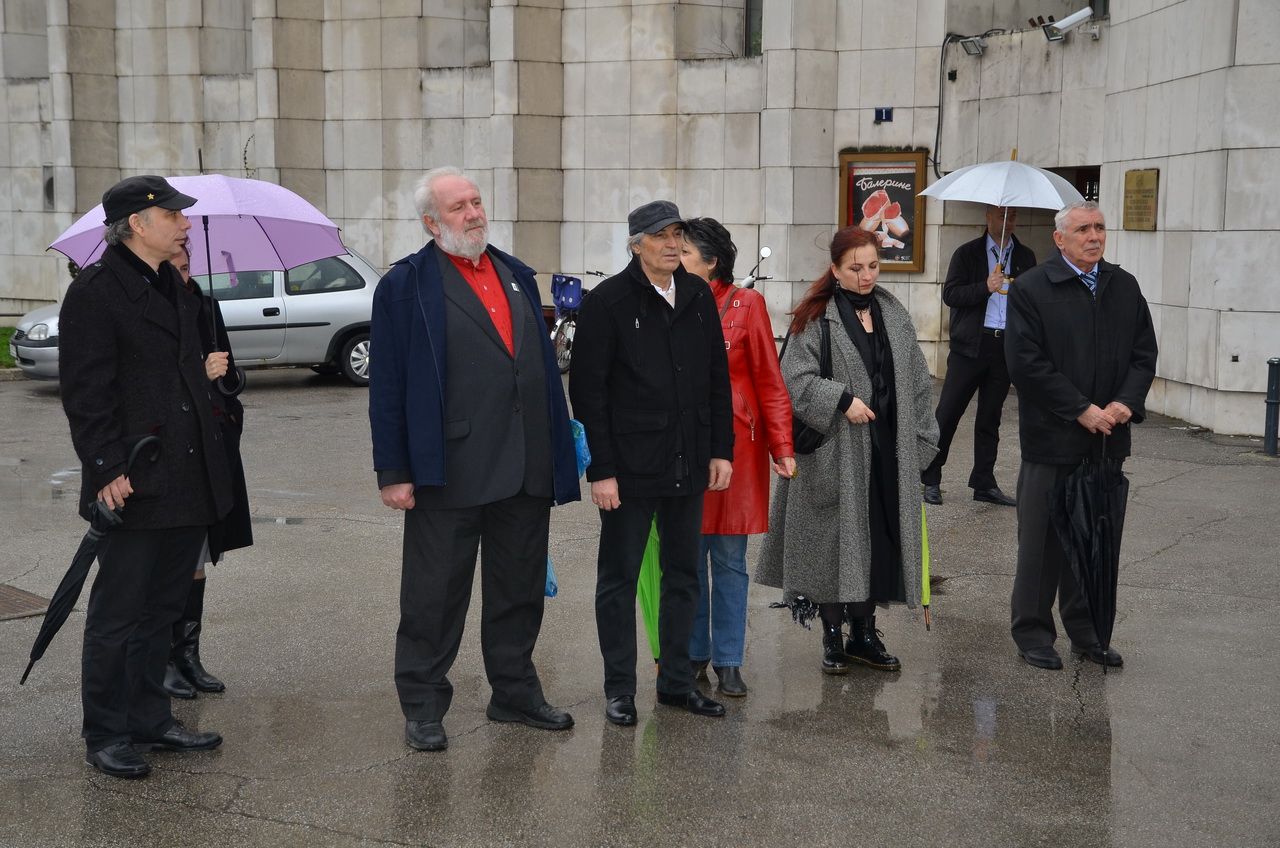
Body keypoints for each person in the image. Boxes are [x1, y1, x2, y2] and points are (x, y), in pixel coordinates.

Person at [369, 167, 581, 752]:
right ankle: (423, 705)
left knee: (519, 590)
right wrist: (394, 472)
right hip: (449, 466)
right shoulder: (405, 285)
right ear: (430, 221)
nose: (473, 213)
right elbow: (387, 384)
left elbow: (537, 372)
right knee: (434, 596)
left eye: (476, 201)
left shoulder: (515, 274)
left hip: (524, 463)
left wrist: (558, 452)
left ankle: (514, 693)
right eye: (458, 206)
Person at [60, 175, 233, 778]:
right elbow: (87, 393)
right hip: (134, 478)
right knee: (119, 615)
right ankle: (107, 732)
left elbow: (182, 377)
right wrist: (106, 467)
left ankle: (150, 720)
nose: (186, 225)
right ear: (137, 223)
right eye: (175, 216)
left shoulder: (174, 287)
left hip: (187, 475)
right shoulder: (96, 292)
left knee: (162, 610)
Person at [569, 200, 734, 726]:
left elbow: (717, 378)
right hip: (630, 467)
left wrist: (721, 449)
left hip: (689, 459)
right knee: (618, 579)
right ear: (636, 244)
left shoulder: (698, 295)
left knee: (683, 575)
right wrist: (601, 470)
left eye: (677, 234)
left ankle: (677, 684)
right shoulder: (608, 301)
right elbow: (588, 393)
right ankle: (619, 689)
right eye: (659, 235)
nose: (671, 244)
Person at [756, 227, 939, 674]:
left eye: (873, 266)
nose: (866, 276)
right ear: (835, 270)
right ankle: (833, 637)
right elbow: (791, 380)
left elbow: (918, 382)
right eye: (856, 268)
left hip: (886, 454)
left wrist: (921, 442)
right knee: (834, 546)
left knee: (874, 542)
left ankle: (864, 635)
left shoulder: (893, 314)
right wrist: (840, 399)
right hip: (834, 453)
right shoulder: (815, 318)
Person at [1005, 200, 1157, 670]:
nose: (1094, 236)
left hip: (1106, 439)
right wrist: (1079, 409)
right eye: (1083, 229)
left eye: (1100, 228)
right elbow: (1025, 363)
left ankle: (1089, 633)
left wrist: (1125, 402)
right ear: (1059, 239)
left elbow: (1144, 352)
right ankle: (1033, 634)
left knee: (1095, 540)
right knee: (1042, 544)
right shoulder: (1031, 288)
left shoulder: (1123, 285)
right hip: (1052, 439)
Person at [679, 217, 795, 697]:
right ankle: (693, 655)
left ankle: (729, 660)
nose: (674, 256)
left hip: (738, 450)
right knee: (687, 559)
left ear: (711, 261)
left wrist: (782, 446)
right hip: (684, 447)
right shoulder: (670, 300)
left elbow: (769, 379)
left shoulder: (748, 304)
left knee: (729, 559)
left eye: (685, 251)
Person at [161, 242, 253, 699]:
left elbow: (230, 379)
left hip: (212, 446)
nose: (185, 274)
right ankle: (162, 660)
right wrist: (200, 372)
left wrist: (227, 387)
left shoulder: (206, 307)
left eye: (187, 266)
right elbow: (155, 390)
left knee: (197, 556)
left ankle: (188, 657)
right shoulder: (152, 314)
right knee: (170, 559)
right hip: (173, 453)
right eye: (176, 267)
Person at [921, 206, 1036, 507]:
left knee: (990, 418)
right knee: (948, 413)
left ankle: (984, 482)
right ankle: (930, 478)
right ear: (988, 217)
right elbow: (951, 295)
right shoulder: (967, 253)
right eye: (1002, 215)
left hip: (1004, 346)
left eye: (1013, 216)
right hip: (970, 346)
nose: (1008, 221)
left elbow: (1033, 303)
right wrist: (985, 287)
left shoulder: (1025, 257)